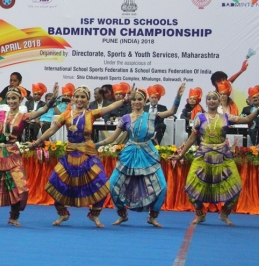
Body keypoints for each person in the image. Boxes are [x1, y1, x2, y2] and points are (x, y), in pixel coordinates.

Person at [31, 85, 134, 227]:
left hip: (88, 154)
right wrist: (38, 141)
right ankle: (62, 213)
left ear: (87, 100)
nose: (79, 100)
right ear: (72, 98)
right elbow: (51, 130)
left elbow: (109, 109)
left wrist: (125, 100)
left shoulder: (91, 114)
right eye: (77, 96)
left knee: (102, 184)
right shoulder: (66, 115)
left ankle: (94, 214)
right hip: (70, 155)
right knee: (55, 184)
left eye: (83, 97)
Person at [0, 83, 59, 226]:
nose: (11, 101)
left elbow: (43, 111)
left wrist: (52, 99)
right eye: (9, 98)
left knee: (19, 186)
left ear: (20, 100)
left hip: (12, 153)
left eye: (14, 98)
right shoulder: (1, 114)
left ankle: (13, 217)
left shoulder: (24, 116)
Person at [97, 84, 185, 228]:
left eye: (140, 99)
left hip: (148, 153)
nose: (136, 102)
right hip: (130, 153)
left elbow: (172, 111)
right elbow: (112, 139)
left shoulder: (151, 116)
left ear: (145, 102)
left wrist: (178, 97)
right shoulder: (125, 118)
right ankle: (122, 214)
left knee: (162, 187)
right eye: (134, 99)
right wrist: (94, 145)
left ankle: (153, 216)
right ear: (131, 101)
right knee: (112, 185)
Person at [170, 90, 259, 226]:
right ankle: (200, 214)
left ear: (219, 101)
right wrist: (181, 154)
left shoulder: (226, 117)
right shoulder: (199, 118)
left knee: (236, 188)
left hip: (223, 156)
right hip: (203, 156)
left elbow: (247, 119)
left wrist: (258, 109)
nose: (212, 101)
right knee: (190, 187)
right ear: (206, 101)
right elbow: (193, 137)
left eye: (214, 98)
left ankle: (224, 214)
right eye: (209, 98)